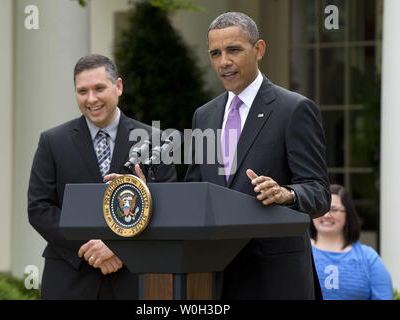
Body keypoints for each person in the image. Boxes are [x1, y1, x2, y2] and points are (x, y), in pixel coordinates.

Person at [184, 12, 331, 299]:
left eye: (234, 50)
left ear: (259, 49)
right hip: (216, 278)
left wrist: (286, 194)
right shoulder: (204, 115)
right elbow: (196, 190)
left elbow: (318, 192)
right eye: (215, 53)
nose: (223, 61)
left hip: (275, 279)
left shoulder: (294, 110)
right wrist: (150, 191)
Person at [27, 54, 177, 299]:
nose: (91, 99)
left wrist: (118, 247)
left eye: (99, 88)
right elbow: (39, 208)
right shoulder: (52, 142)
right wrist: (90, 248)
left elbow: (169, 209)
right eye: (82, 91)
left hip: (133, 277)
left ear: (118, 86)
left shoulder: (155, 142)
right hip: (69, 276)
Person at [310, 184, 393, 300]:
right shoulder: (300, 254)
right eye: (321, 208)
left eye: (334, 209)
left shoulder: (369, 258)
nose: (327, 215)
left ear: (347, 214)